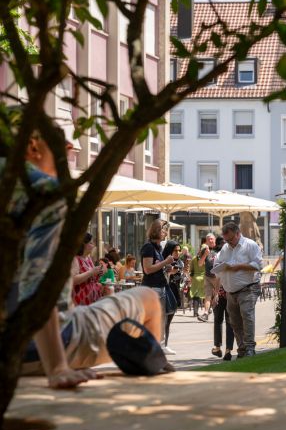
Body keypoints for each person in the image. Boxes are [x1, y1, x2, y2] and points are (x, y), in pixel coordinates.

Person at [7, 125, 169, 389]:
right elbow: (37, 285)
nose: (69, 150)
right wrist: (57, 367)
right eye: (61, 146)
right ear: (33, 146)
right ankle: (152, 373)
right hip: (41, 348)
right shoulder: (43, 191)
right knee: (149, 299)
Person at [212, 222, 262, 359]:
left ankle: (250, 348)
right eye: (226, 240)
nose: (229, 243)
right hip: (230, 292)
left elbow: (258, 265)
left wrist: (239, 267)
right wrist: (218, 267)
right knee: (234, 322)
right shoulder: (225, 248)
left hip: (248, 288)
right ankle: (242, 349)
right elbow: (217, 263)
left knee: (247, 316)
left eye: (231, 239)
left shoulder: (250, 245)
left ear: (238, 233)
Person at [140, 219, 178, 355]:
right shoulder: (148, 247)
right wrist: (165, 262)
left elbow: (156, 268)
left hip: (160, 287)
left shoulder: (157, 248)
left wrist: (167, 268)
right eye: (164, 230)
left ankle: (159, 347)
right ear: (157, 230)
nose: (166, 232)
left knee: (161, 319)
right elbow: (148, 269)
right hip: (152, 288)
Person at [211, 237, 235, 360]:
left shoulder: (218, 256)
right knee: (230, 321)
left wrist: (215, 294)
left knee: (218, 320)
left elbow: (217, 277)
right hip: (231, 291)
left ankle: (217, 347)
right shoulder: (234, 255)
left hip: (221, 292)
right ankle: (228, 350)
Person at [72, 233, 106, 306]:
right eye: (90, 243)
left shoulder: (88, 258)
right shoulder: (75, 259)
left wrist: (100, 272)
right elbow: (73, 280)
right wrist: (91, 272)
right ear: (83, 244)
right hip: (80, 300)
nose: (93, 245)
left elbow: (92, 278)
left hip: (91, 298)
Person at [163, 240, 184, 348]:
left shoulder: (180, 262)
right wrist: (170, 272)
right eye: (175, 250)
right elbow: (161, 275)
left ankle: (165, 345)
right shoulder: (165, 261)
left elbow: (181, 277)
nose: (177, 252)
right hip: (165, 292)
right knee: (163, 321)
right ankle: (162, 345)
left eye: (179, 250)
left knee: (168, 321)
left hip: (175, 292)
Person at [201, 233, 218, 322]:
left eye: (211, 239)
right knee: (207, 295)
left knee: (218, 295)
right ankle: (206, 313)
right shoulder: (205, 250)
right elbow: (200, 264)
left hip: (218, 277)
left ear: (214, 240)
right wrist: (205, 255)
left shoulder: (219, 249)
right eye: (208, 239)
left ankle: (218, 312)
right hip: (207, 276)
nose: (210, 241)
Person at [189, 243, 208, 319]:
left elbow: (191, 270)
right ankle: (207, 310)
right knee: (207, 295)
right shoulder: (207, 259)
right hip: (205, 278)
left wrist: (191, 279)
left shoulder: (194, 259)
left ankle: (195, 312)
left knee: (196, 296)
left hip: (195, 279)